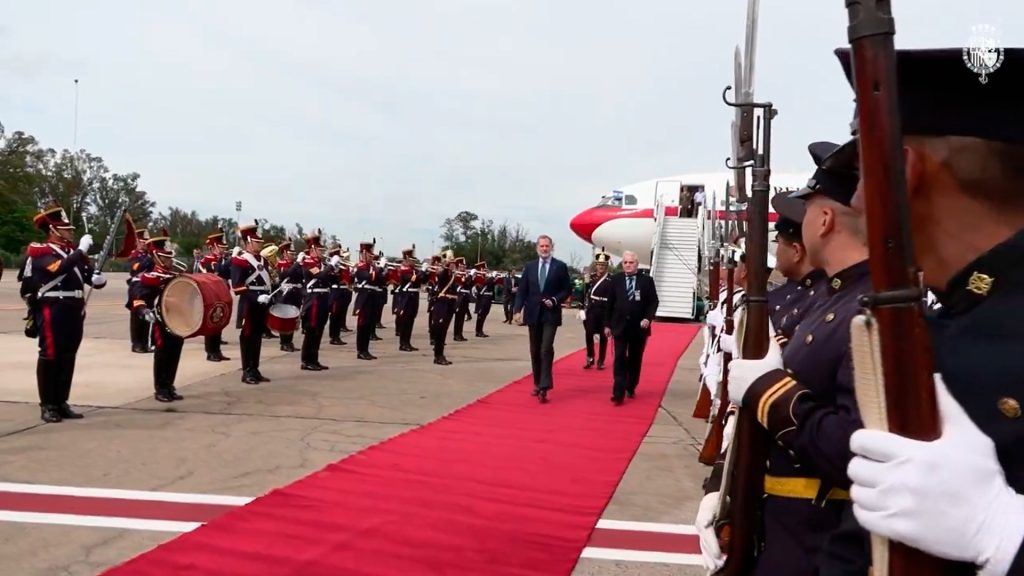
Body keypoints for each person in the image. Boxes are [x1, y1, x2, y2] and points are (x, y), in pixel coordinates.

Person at [819, 47, 1024, 576]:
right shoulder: (934, 329)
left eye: (862, 175)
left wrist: (1008, 538)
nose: (856, 204)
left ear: (903, 172)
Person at [697, 141, 867, 575]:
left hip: (817, 546)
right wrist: (723, 484)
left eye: (806, 209)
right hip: (781, 531)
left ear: (824, 220)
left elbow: (858, 451)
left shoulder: (865, 308)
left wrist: (767, 391)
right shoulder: (829, 300)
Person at [20, 205, 107, 423]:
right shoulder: (41, 251)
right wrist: (81, 250)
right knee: (51, 354)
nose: (70, 232)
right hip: (53, 307)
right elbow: (57, 268)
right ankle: (47, 405)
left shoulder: (72, 254)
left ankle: (61, 402)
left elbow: (90, 278)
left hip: (74, 308)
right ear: (53, 230)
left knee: (68, 356)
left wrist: (98, 279)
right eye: (66, 229)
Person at [513, 235, 572, 403]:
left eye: (547, 246)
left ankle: (545, 385)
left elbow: (567, 289)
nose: (544, 249)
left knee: (546, 348)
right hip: (533, 313)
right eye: (542, 246)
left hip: (551, 314)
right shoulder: (530, 267)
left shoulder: (560, 266)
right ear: (537, 248)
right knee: (535, 349)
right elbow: (522, 290)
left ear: (551, 247)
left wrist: (555, 299)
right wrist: (517, 310)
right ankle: (537, 382)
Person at [131, 232, 186, 402]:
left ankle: (169, 385)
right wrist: (143, 310)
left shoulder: (175, 276)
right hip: (161, 322)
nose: (170, 261)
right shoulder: (151, 278)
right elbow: (138, 296)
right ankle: (160, 388)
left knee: (175, 352)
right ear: (157, 258)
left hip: (177, 321)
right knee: (163, 354)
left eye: (170, 257)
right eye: (166, 258)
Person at [768, 190, 826, 340]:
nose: (777, 252)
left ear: (796, 251)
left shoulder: (818, 298)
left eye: (778, 243)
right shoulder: (802, 292)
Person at [603, 251, 659, 405]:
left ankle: (631, 385)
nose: (628, 265)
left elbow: (653, 302)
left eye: (631, 262)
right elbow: (609, 304)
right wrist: (607, 324)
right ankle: (618, 392)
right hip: (619, 326)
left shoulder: (646, 281)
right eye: (625, 262)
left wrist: (647, 318)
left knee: (635, 358)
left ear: (637, 264)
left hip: (638, 327)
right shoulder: (616, 280)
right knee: (619, 358)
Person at [231, 222, 273, 384]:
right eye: (257, 242)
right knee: (248, 336)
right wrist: (256, 297)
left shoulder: (263, 260)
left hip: (262, 302)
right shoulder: (240, 261)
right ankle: (247, 371)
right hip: (249, 303)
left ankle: (255, 369)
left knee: (257, 337)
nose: (260, 245)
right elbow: (237, 287)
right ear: (248, 242)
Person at [197, 230, 232, 362]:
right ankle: (210, 352)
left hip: (222, 292)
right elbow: (215, 273)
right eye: (221, 247)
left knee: (219, 321)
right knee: (211, 322)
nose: (224, 249)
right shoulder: (208, 260)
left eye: (224, 247)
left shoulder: (223, 260)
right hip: (211, 294)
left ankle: (217, 350)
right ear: (213, 248)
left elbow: (228, 275)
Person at [582, 252, 613, 370]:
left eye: (603, 265)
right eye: (599, 264)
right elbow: (584, 293)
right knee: (589, 333)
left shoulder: (611, 279)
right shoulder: (591, 277)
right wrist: (581, 307)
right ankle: (590, 357)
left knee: (603, 335)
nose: (601, 267)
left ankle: (601, 360)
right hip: (592, 309)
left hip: (605, 309)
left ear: (606, 266)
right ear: (596, 265)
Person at [353, 241, 383, 360]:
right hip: (364, 298)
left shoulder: (372, 267)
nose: (372, 257)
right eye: (370, 255)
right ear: (364, 254)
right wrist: (379, 270)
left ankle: (365, 350)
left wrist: (382, 271)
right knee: (363, 325)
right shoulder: (361, 266)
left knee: (369, 324)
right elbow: (370, 277)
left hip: (372, 297)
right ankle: (361, 351)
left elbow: (380, 281)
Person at [125, 226, 153, 353]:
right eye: (143, 242)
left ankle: (145, 343)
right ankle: (136, 344)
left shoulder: (149, 255)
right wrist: (149, 259)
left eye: (147, 242)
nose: (146, 244)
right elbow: (135, 269)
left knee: (147, 315)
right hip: (137, 287)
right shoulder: (135, 255)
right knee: (137, 316)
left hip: (148, 286)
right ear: (137, 242)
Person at [429, 250, 459, 365]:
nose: (453, 265)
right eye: (451, 263)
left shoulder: (452, 274)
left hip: (449, 304)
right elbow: (441, 277)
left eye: (453, 263)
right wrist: (446, 265)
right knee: (440, 331)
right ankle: (438, 356)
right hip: (442, 304)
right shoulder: (442, 272)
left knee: (444, 331)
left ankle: (440, 355)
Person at [275, 239, 303, 352]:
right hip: (286, 294)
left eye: (294, 254)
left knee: (293, 319)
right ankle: (284, 343)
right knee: (285, 319)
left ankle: (289, 341)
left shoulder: (296, 265)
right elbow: (286, 274)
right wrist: (297, 264)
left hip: (296, 294)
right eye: (291, 253)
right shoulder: (281, 263)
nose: (293, 255)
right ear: (285, 253)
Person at [394, 247, 423, 351]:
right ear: (407, 259)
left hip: (414, 297)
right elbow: (414, 279)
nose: (414, 262)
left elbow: (422, 280)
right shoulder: (404, 270)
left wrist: (427, 273)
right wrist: (423, 271)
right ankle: (403, 344)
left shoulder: (414, 270)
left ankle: (407, 342)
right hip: (406, 298)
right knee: (405, 322)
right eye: (412, 260)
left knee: (410, 321)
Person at [472, 262, 494, 338]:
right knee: (481, 315)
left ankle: (480, 330)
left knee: (484, 315)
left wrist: (494, 278)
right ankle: (478, 331)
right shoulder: (478, 278)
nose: (486, 271)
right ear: (480, 269)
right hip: (482, 299)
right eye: (484, 269)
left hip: (488, 298)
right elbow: (482, 285)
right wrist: (491, 277)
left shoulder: (485, 277)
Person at [452, 258, 472, 341]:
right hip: (459, 297)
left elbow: (469, 285)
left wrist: (471, 277)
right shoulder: (456, 276)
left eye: (464, 266)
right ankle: (456, 335)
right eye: (462, 266)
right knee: (458, 318)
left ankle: (460, 334)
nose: (464, 268)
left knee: (462, 317)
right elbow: (461, 285)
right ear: (458, 267)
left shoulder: (465, 275)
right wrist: (468, 277)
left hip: (465, 298)